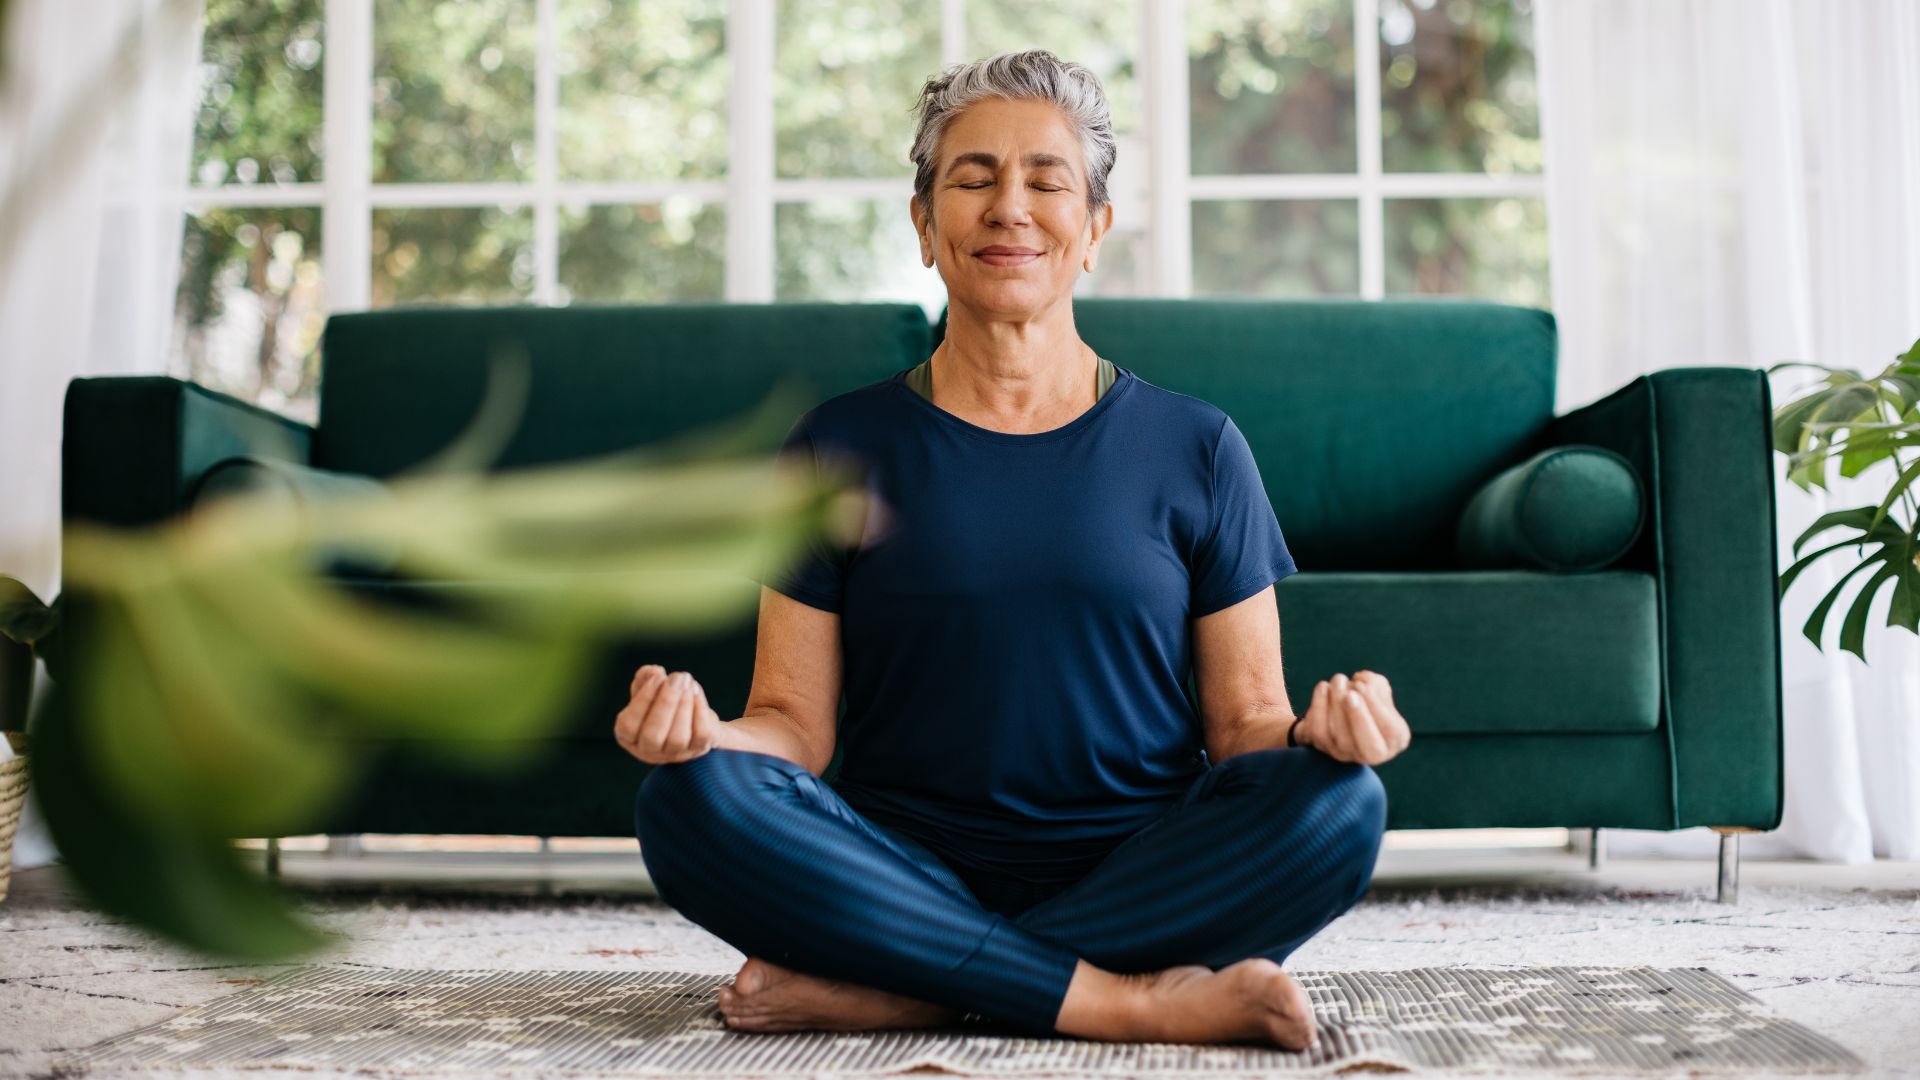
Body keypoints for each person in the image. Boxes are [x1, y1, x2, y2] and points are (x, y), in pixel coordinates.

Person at [617, 48, 1411, 1051]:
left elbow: (1249, 724)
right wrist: (702, 741)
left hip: (1142, 867)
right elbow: (791, 727)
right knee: (687, 801)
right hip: (897, 868)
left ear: (1094, 230)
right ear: (924, 224)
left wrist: (1321, 736)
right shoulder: (838, 445)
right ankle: (1121, 1001)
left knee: (1342, 805)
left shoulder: (1198, 445)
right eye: (974, 179)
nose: (1010, 209)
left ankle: (916, 988)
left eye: (1047, 181)